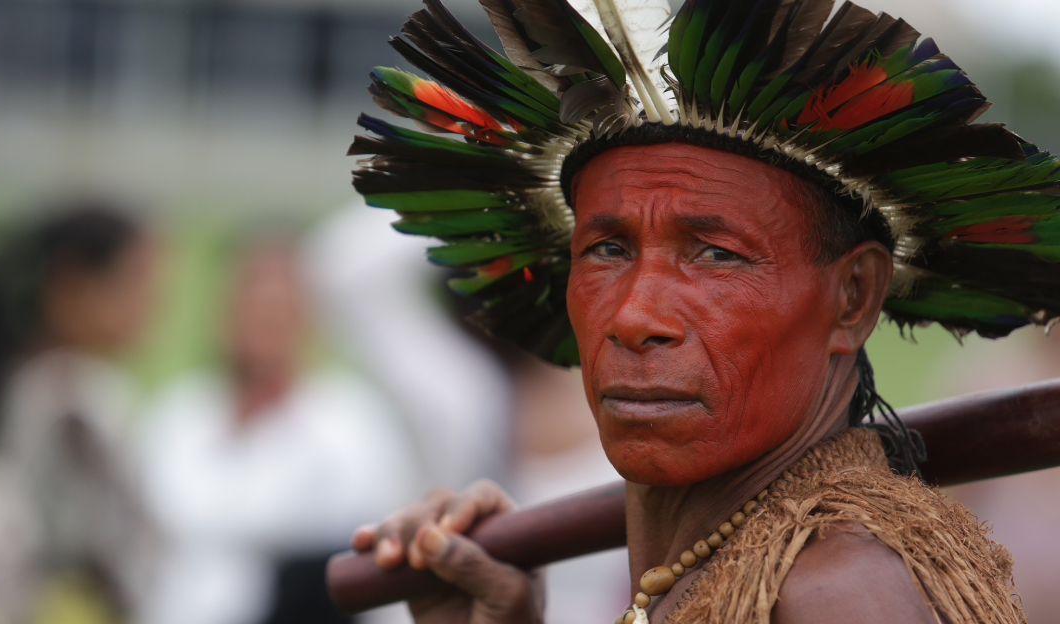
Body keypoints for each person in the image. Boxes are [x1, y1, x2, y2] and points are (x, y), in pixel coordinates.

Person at [341, 0, 1060, 622]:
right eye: (608, 249)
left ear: (853, 298)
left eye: (715, 253)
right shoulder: (733, 566)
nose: (634, 316)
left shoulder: (838, 590)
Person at [137, 239, 415, 624]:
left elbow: (356, 544)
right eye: (251, 303)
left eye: (278, 306)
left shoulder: (349, 420)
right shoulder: (179, 412)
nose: (264, 322)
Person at [0, 203, 160, 623]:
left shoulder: (22, 384)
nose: (155, 301)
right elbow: (100, 557)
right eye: (137, 279)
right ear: (71, 285)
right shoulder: (81, 400)